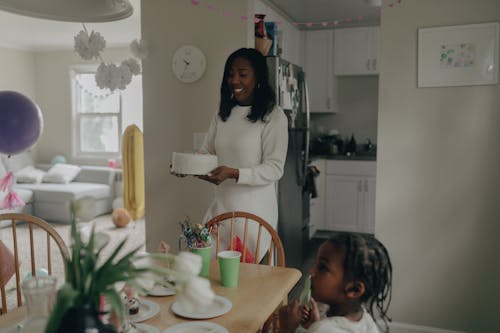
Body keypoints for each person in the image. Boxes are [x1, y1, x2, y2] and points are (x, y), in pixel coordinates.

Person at [197, 47, 288, 260]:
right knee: (213, 275)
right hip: (221, 209)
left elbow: (275, 168)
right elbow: (207, 151)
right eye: (230, 74)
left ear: (258, 78)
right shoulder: (222, 114)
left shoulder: (273, 116)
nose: (234, 80)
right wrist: (191, 167)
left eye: (242, 74)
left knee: (249, 278)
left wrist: (233, 173)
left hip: (255, 215)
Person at [279, 233, 392, 333]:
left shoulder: (322, 330)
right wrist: (314, 325)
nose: (311, 272)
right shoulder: (366, 319)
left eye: (323, 267)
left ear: (354, 289)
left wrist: (286, 329)